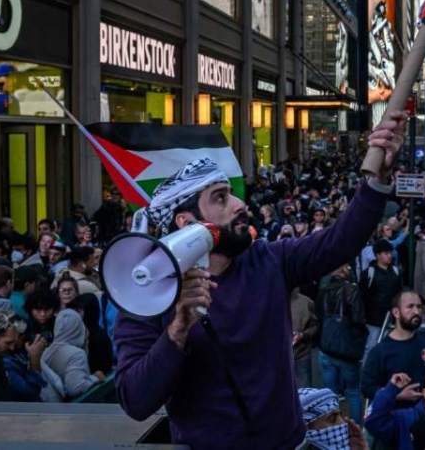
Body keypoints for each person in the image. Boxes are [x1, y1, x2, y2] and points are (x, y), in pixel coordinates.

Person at [113, 113, 405, 449]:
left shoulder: (270, 261)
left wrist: (378, 180)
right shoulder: (146, 296)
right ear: (187, 221)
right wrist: (178, 329)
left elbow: (340, 241)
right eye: (221, 197)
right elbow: (136, 401)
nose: (240, 204)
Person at [360, 289, 425, 402]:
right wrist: (396, 395)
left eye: (419, 307)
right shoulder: (380, 352)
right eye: (410, 307)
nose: (416, 311)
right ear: (396, 313)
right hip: (395, 416)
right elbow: (367, 388)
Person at [318, 263, 367, 420]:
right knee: (353, 392)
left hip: (326, 347)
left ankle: (332, 427)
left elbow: (319, 315)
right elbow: (358, 319)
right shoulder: (351, 290)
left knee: (329, 393)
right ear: (344, 269)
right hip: (346, 350)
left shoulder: (323, 288)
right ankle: (355, 431)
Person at [41, 308, 103, 400]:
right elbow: (76, 388)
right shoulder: (77, 354)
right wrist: (96, 378)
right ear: (78, 327)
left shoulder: (46, 352)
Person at [361, 238, 403, 355]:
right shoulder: (369, 273)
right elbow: (363, 296)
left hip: (392, 319)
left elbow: (399, 293)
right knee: (371, 347)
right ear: (377, 255)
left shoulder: (396, 271)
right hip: (373, 319)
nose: (389, 256)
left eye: (390, 253)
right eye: (386, 253)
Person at [290, 285, 318, 388]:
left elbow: (315, 326)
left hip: (301, 354)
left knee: (304, 393)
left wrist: (303, 335)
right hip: (277, 357)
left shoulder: (306, 302)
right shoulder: (269, 300)